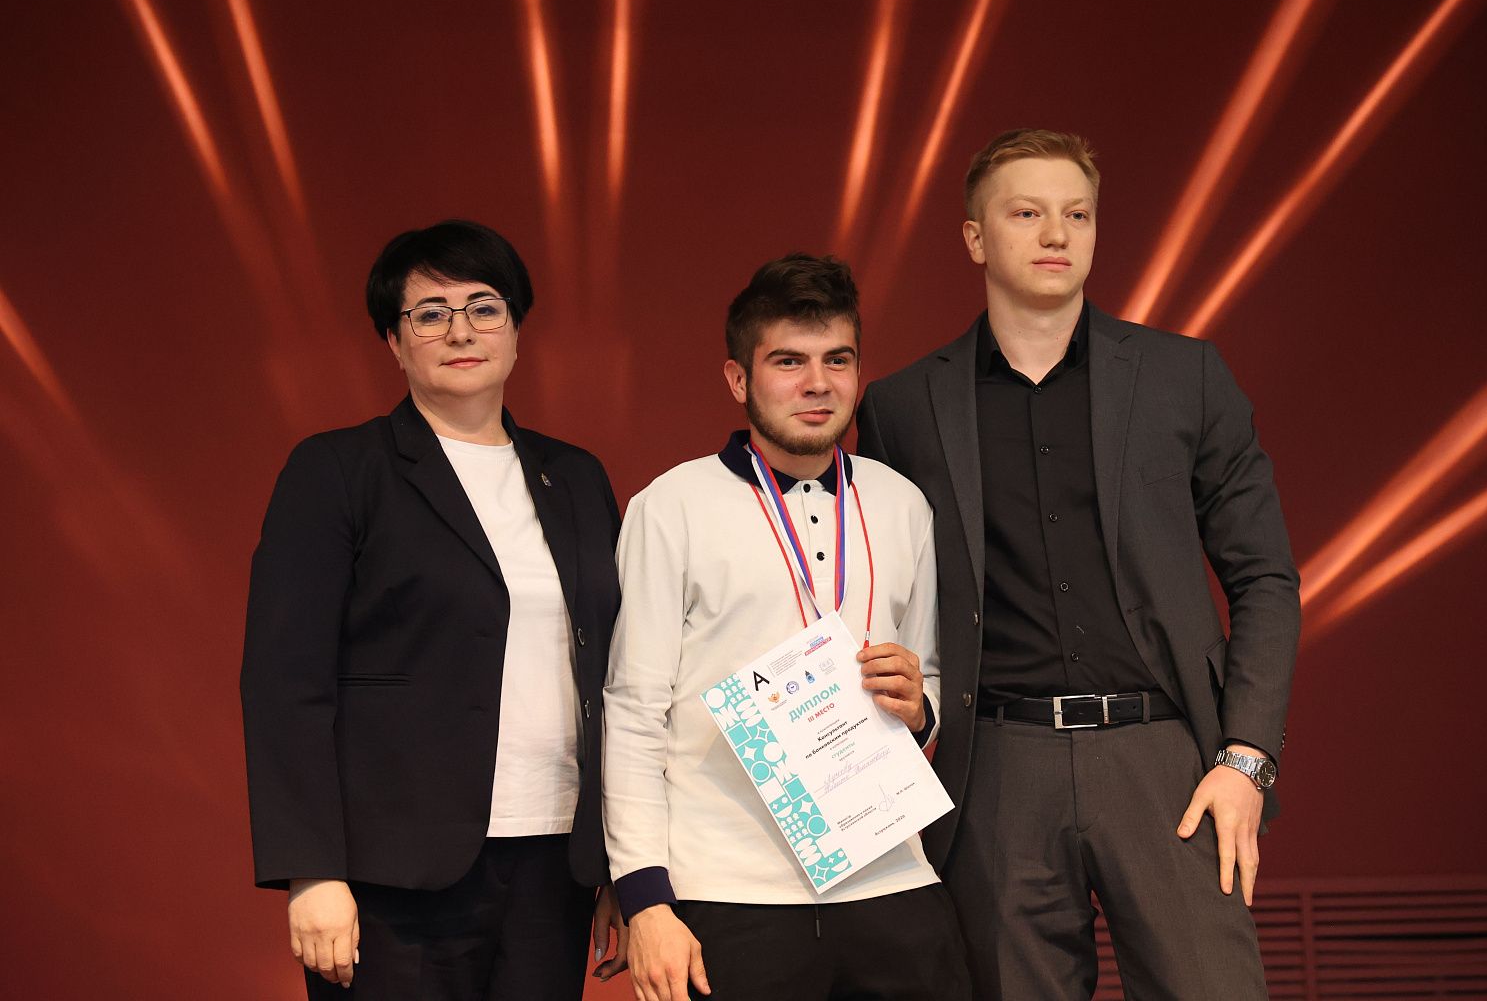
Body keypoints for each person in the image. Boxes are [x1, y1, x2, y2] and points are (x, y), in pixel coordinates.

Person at [856, 128, 1300, 999]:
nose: (1057, 234)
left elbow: (1266, 579)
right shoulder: (904, 407)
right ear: (976, 237)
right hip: (995, 769)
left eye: (1078, 214)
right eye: (1027, 214)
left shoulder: (1183, 376)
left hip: (1166, 758)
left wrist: (1245, 760)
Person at [241, 219, 626, 998]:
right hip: (393, 876)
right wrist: (311, 871)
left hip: (555, 864)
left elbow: (615, 674)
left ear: (515, 330)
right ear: (394, 340)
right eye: (430, 313)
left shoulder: (576, 477)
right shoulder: (339, 470)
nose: (461, 330)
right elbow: (286, 683)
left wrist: (624, 860)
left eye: (484, 307)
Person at [602, 254, 972, 1001]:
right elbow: (634, 711)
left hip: (890, 875)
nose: (817, 383)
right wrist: (645, 897)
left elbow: (932, 676)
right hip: (727, 891)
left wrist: (921, 706)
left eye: (838, 359)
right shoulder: (670, 506)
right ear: (738, 379)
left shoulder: (903, 503)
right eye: (788, 361)